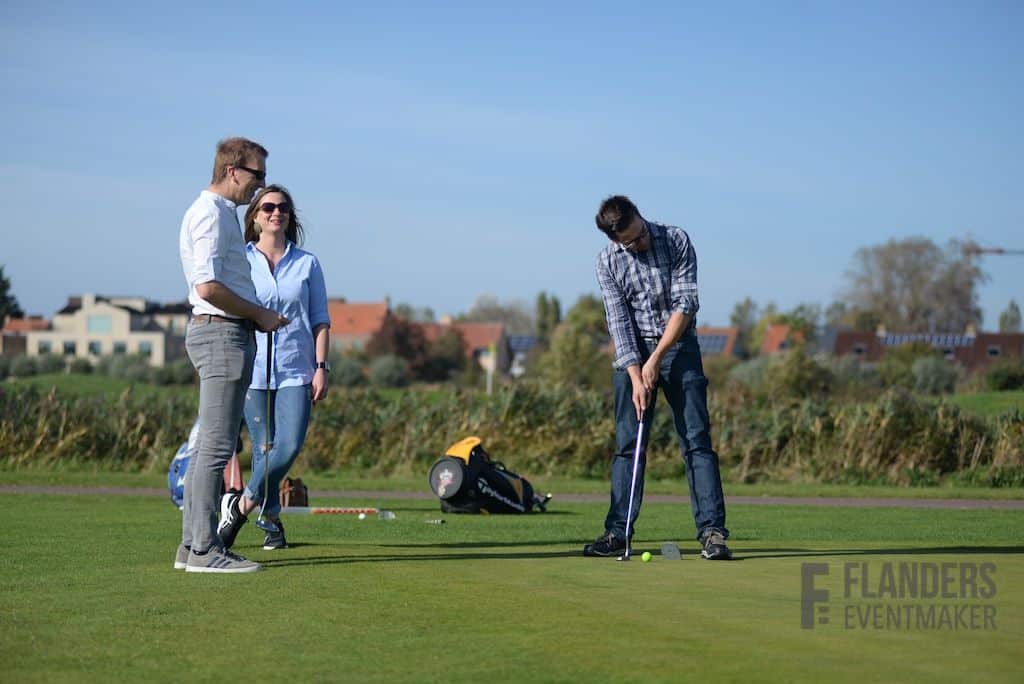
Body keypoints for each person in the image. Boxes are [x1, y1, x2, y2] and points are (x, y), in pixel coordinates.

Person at [584, 195, 732, 560]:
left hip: (679, 349)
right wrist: (636, 375)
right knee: (628, 445)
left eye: (640, 234)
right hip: (632, 356)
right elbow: (619, 322)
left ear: (639, 216)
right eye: (629, 242)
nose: (639, 243)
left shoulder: (676, 239)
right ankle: (617, 532)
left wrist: (656, 359)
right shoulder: (608, 262)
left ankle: (712, 533)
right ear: (615, 240)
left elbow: (686, 304)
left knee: (696, 441)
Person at [175, 137, 288, 574]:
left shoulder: (221, 213)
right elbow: (207, 287)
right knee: (217, 447)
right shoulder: (210, 213)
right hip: (220, 334)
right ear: (232, 171)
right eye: (257, 175)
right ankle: (205, 550)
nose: (260, 185)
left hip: (225, 333)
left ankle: (193, 546)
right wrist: (258, 313)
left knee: (212, 445)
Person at [217, 184, 330, 551]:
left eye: (282, 207)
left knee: (289, 445)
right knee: (265, 449)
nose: (276, 212)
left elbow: (320, 320)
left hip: (297, 368)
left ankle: (240, 507)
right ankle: (271, 520)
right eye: (267, 207)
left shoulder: (308, 263)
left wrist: (322, 366)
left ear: (289, 215)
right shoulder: (241, 260)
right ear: (255, 216)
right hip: (253, 367)